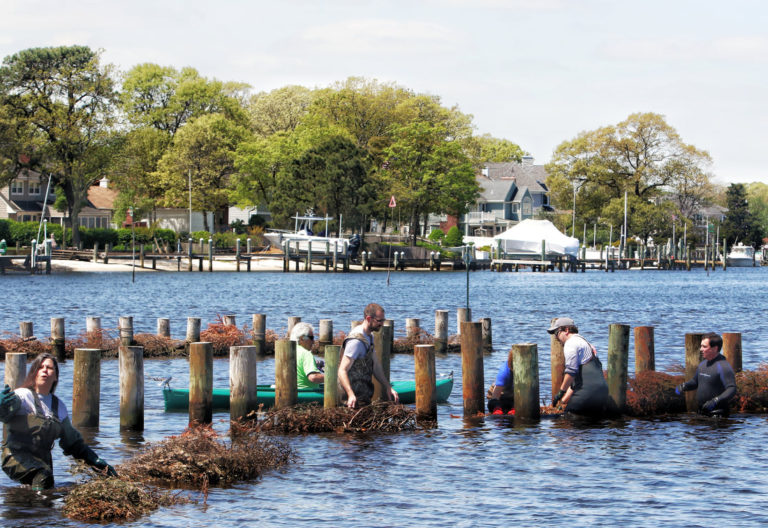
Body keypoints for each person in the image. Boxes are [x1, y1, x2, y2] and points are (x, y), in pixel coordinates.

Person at [0, 353, 117, 490]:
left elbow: (73, 443)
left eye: (49, 368)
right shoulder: (22, 395)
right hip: (15, 457)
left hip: (42, 463)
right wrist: (2, 405)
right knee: (43, 476)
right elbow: (5, 415)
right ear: (34, 373)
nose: (44, 370)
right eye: (40, 367)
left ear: (55, 376)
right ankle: (39, 509)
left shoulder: (59, 406)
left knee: (47, 483)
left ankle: (28, 507)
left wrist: (96, 462)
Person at [338, 303, 399, 408]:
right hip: (350, 401)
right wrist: (350, 394)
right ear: (369, 318)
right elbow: (342, 370)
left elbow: (375, 365)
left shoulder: (369, 336)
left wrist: (388, 387)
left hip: (364, 399)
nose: (382, 324)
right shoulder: (355, 341)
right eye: (379, 321)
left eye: (383, 320)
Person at [548, 317, 609, 416]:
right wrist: (562, 402)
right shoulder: (586, 343)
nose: (556, 337)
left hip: (588, 393)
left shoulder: (570, 344)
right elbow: (575, 383)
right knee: (592, 425)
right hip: (602, 393)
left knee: (567, 419)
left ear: (566, 330)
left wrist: (560, 393)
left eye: (556, 333)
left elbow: (571, 373)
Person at [675, 332, 737, 416]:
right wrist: (684, 386)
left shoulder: (723, 366)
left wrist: (715, 401)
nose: (701, 349)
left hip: (718, 415)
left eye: (704, 347)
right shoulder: (702, 364)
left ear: (715, 348)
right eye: (701, 346)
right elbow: (695, 382)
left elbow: (732, 389)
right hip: (702, 412)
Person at [289, 322, 324, 389]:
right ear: (302, 338)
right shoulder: (306, 353)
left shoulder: (288, 351)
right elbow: (313, 377)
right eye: (311, 338)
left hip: (288, 391)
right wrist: (333, 377)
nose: (313, 342)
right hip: (306, 394)